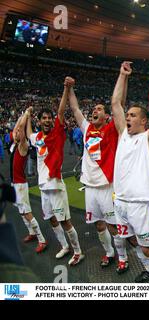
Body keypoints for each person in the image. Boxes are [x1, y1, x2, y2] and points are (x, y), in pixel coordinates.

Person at [67, 77, 129, 273]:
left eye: (99, 109)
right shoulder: (86, 129)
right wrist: (69, 89)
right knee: (99, 225)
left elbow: (120, 104)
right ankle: (109, 253)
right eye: (94, 109)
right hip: (89, 188)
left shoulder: (112, 130)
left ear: (107, 116)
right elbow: (76, 109)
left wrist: (124, 76)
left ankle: (123, 258)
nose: (95, 111)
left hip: (107, 187)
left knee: (113, 226)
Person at [24, 78, 84, 266]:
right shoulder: (37, 137)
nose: (48, 120)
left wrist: (66, 88)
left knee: (65, 221)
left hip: (56, 185)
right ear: (40, 121)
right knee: (51, 219)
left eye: (50, 118)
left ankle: (78, 252)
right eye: (44, 118)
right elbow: (27, 134)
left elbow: (60, 111)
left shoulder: (57, 133)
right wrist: (27, 115)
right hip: (43, 187)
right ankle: (64, 246)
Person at [112, 61, 149, 283]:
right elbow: (115, 103)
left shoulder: (148, 139)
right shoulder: (124, 135)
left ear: (144, 121)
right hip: (120, 202)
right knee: (131, 239)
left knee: (147, 246)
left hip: (139, 204)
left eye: (133, 115)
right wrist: (123, 75)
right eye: (128, 115)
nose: (128, 117)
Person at [10, 114, 47, 253]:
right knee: (21, 212)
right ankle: (32, 233)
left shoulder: (23, 146)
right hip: (15, 184)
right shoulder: (14, 145)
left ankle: (42, 240)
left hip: (20, 185)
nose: (17, 132)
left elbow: (20, 127)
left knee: (27, 213)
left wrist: (26, 114)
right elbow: (16, 128)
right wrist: (22, 115)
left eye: (20, 132)